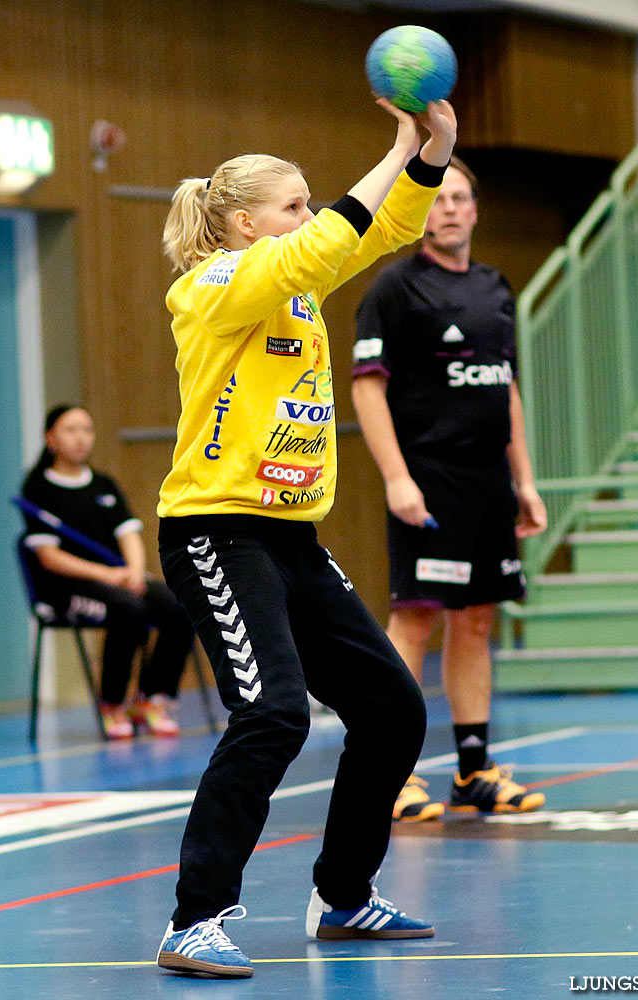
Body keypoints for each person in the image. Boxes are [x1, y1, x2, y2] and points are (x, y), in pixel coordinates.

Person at [153, 97, 457, 979]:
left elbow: (380, 229)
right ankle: (193, 919)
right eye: (293, 204)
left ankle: (345, 895)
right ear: (244, 223)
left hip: (289, 536)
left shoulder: (291, 281)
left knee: (392, 708)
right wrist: (394, 144)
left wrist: (428, 153)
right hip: (216, 532)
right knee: (273, 712)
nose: (309, 215)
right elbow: (325, 244)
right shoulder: (211, 286)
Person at [351, 156, 548, 823]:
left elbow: (506, 389)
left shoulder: (496, 288)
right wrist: (396, 478)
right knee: (416, 618)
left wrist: (523, 478)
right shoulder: (394, 288)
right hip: (427, 481)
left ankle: (473, 772)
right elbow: (366, 386)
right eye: (438, 200)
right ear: (420, 211)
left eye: (460, 197)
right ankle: (393, 773)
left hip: (488, 482)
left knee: (477, 618)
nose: (451, 209)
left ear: (474, 206)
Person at [20, 404, 195, 739]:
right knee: (128, 609)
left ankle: (153, 697)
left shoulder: (104, 484)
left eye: (87, 430)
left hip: (119, 579)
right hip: (67, 589)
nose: (81, 438)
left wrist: (133, 571)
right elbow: (49, 557)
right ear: (50, 438)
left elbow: (128, 534)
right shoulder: (37, 488)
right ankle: (112, 703)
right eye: (71, 430)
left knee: (179, 605)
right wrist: (110, 576)